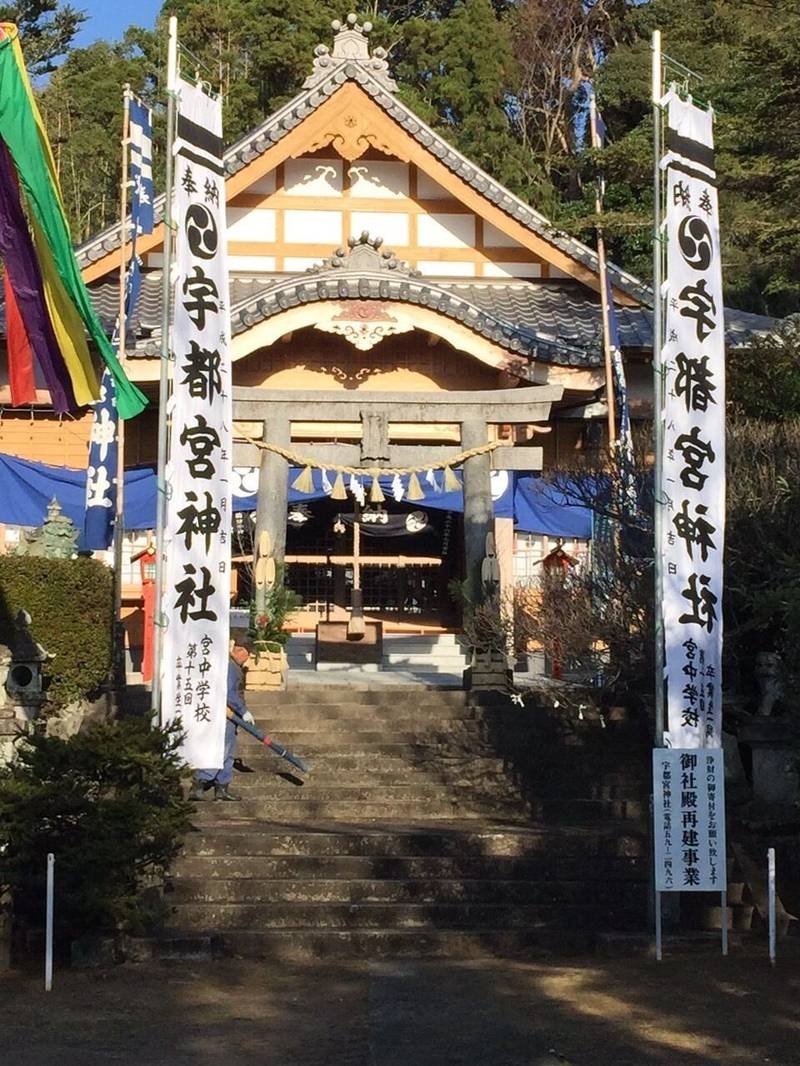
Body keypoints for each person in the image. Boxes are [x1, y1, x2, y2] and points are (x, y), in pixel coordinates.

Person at [189, 634, 256, 802]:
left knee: (228, 753)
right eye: (248, 654)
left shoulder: (232, 666)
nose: (247, 659)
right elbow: (228, 692)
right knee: (220, 750)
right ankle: (200, 782)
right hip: (224, 714)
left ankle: (222, 787)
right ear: (240, 651)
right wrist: (243, 710)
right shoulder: (230, 667)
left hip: (231, 716)